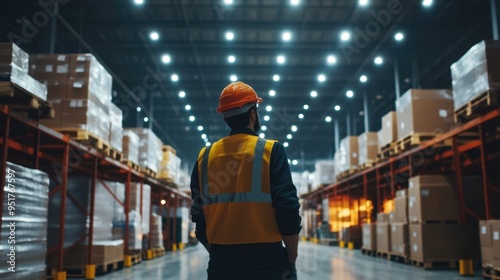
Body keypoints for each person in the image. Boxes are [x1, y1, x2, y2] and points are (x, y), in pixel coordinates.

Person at [190, 81, 302, 280]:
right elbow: (288, 210)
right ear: (253, 114)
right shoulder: (270, 151)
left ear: (225, 117)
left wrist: (220, 255)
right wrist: (291, 258)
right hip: (266, 262)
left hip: (221, 264)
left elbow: (199, 221)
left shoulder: (204, 157)